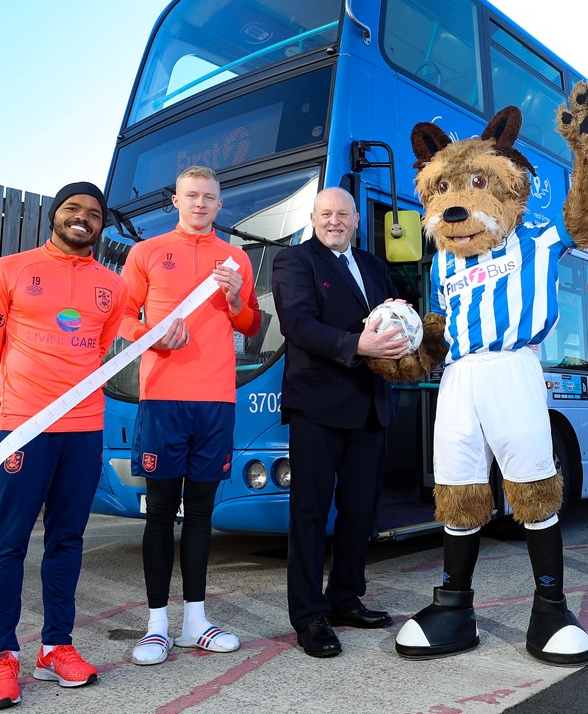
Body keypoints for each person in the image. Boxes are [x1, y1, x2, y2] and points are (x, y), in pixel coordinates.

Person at [0, 182, 128, 709]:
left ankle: (56, 647)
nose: (83, 219)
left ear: (101, 226)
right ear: (55, 215)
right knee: (7, 543)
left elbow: (101, 352)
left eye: (93, 214)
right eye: (73, 209)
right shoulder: (7, 271)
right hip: (21, 428)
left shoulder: (112, 285)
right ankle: (1, 657)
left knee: (68, 541)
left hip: (83, 429)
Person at [118, 166, 262, 666]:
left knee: (202, 513)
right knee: (160, 511)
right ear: (175, 201)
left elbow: (251, 323)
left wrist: (237, 297)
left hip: (217, 398)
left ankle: (194, 622)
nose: (201, 204)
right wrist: (150, 336)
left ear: (220, 206)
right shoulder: (146, 252)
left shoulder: (236, 256)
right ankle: (156, 626)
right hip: (162, 398)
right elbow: (120, 315)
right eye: (192, 196)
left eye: (210, 198)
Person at [270, 186, 409, 658]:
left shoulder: (372, 264)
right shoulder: (294, 262)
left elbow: (393, 316)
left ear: (355, 220)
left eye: (343, 214)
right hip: (318, 407)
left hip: (371, 405)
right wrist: (357, 346)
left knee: (361, 510)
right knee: (309, 514)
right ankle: (309, 617)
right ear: (313, 218)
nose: (334, 220)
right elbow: (298, 324)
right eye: (326, 213)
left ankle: (346, 598)